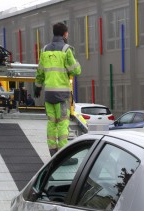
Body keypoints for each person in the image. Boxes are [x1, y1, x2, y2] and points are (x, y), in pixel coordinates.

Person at [35, 22, 82, 155]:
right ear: (64, 34)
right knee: (62, 123)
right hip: (62, 94)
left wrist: (38, 87)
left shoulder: (44, 50)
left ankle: (52, 151)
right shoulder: (66, 49)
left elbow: (40, 71)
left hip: (49, 93)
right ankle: (62, 154)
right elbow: (76, 70)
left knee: (51, 123)